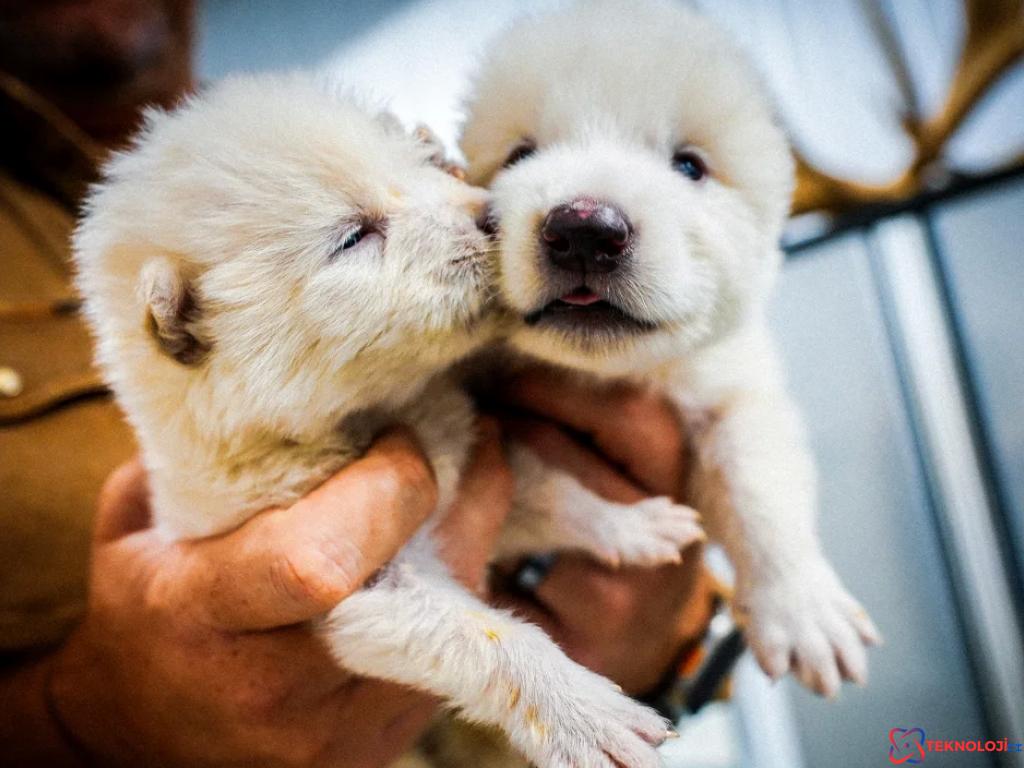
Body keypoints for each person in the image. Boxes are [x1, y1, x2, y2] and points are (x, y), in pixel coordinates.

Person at [0, 1, 717, 765]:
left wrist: (671, 632)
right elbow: (378, 605)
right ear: (188, 326)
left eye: (422, 168)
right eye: (354, 239)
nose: (482, 212)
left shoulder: (288, 128)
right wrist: (83, 721)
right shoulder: (193, 266)